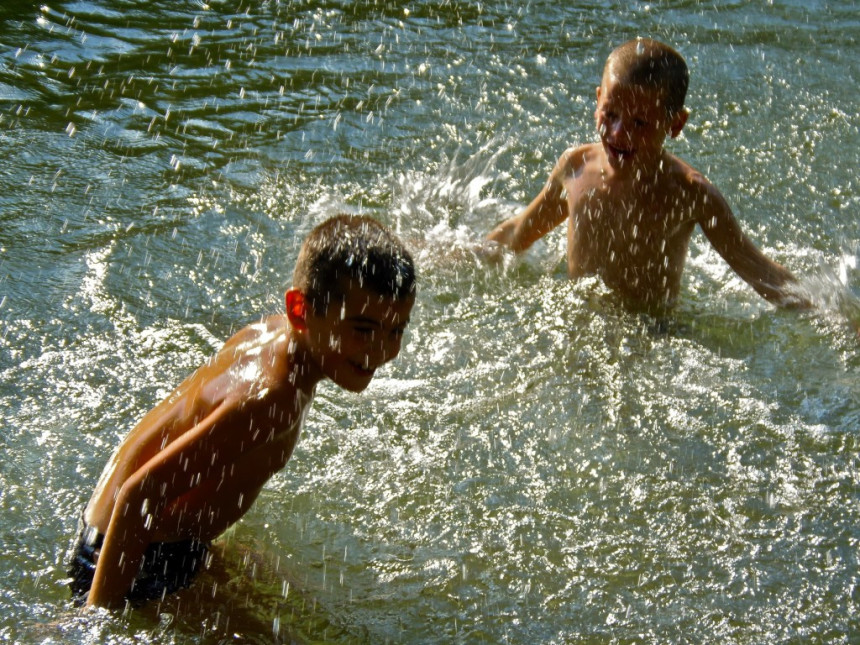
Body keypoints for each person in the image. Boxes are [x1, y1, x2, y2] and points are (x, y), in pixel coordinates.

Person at [69, 214, 416, 609]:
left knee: (300, 606)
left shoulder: (273, 334)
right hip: (130, 561)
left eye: (396, 331)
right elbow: (138, 497)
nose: (382, 351)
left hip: (141, 537)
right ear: (300, 309)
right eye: (364, 330)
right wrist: (94, 620)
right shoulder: (272, 400)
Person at [487, 37, 809, 313]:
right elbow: (519, 233)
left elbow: (758, 270)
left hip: (651, 336)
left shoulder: (689, 193)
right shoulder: (576, 167)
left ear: (675, 125)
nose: (617, 133)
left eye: (639, 123)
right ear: (598, 99)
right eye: (610, 114)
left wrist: (822, 312)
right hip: (579, 320)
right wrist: (463, 254)